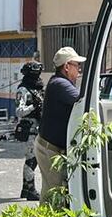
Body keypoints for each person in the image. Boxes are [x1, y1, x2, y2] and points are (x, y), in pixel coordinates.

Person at [34, 47, 86, 204]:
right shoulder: (60, 84)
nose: (79, 69)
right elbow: (84, 102)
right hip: (50, 149)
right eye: (77, 65)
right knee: (54, 195)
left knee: (53, 192)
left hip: (52, 147)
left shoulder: (59, 82)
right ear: (67, 66)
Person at [14, 61, 45, 201]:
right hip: (29, 129)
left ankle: (25, 189)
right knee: (31, 160)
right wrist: (33, 107)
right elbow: (19, 112)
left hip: (38, 128)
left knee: (31, 159)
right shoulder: (23, 90)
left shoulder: (38, 89)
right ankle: (31, 190)